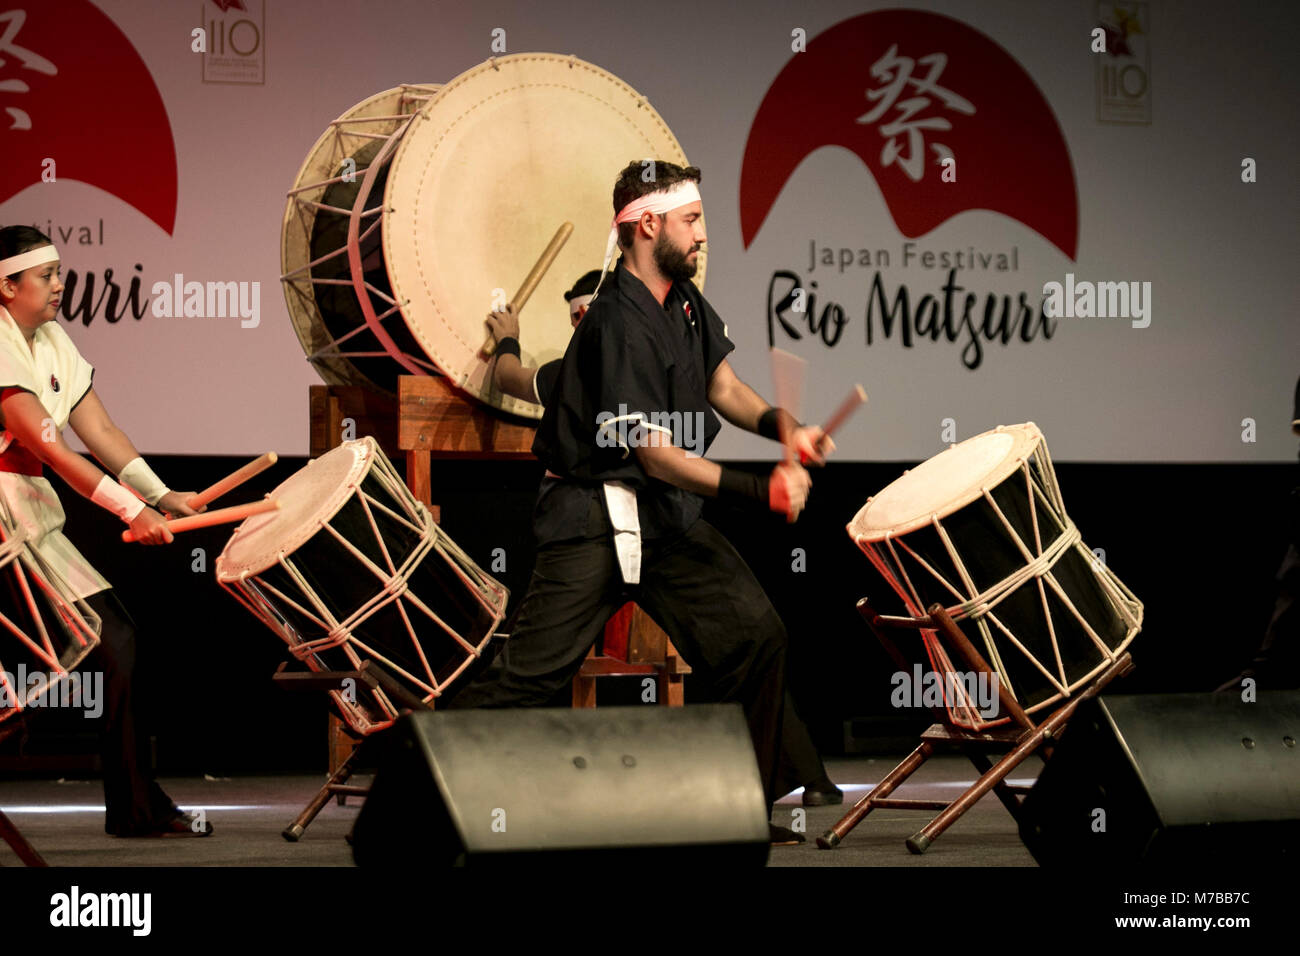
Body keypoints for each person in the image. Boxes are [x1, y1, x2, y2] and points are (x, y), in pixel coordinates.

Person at [450, 161, 835, 844]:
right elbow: (656, 453)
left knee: (755, 637)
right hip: (594, 518)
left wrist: (785, 426)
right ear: (647, 224)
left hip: (665, 517)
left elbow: (723, 385)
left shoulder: (684, 302)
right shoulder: (616, 321)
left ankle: (734, 811)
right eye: (692, 222)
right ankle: (427, 795)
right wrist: (760, 487)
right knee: (528, 679)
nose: (703, 236)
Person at [0, 226, 212, 837]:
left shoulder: (54, 341)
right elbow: (55, 450)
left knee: (117, 642)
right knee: (110, 641)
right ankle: (133, 802)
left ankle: (133, 804)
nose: (61, 285)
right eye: (47, 276)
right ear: (8, 285)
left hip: (32, 519)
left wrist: (163, 495)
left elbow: (102, 432)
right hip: (3, 525)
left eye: (60, 273)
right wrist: (130, 511)